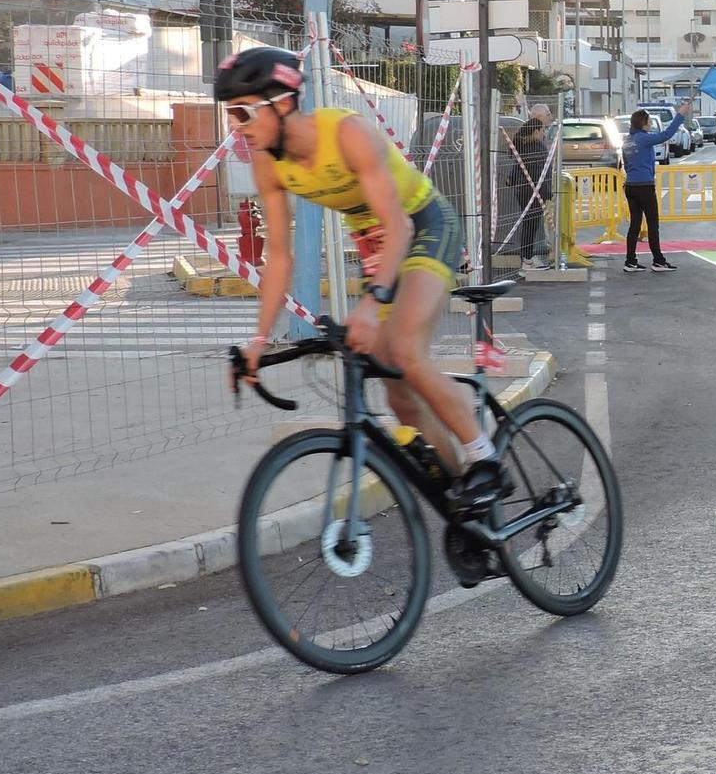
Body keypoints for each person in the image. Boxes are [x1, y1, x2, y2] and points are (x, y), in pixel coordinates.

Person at [219, 47, 503, 517]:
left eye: (242, 112)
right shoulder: (268, 164)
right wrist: (258, 339)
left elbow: (401, 226)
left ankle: (484, 459)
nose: (237, 127)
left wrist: (371, 306)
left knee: (406, 352)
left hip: (423, 225)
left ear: (282, 102)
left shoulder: (347, 134)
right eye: (230, 116)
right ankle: (466, 508)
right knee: (399, 395)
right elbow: (280, 258)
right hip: (378, 243)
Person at [621, 99, 693, 273]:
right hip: (644, 185)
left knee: (635, 225)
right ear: (643, 123)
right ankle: (658, 261)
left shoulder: (627, 140)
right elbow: (666, 135)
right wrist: (680, 114)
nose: (651, 124)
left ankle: (630, 261)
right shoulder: (644, 139)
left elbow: (625, 162)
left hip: (630, 185)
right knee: (653, 224)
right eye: (649, 122)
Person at [507, 103, 554, 265]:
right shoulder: (534, 147)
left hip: (528, 190)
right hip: (531, 191)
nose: (550, 117)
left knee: (531, 224)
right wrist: (546, 191)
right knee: (530, 224)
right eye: (548, 114)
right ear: (536, 129)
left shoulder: (528, 145)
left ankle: (528, 256)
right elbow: (536, 172)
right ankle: (527, 258)